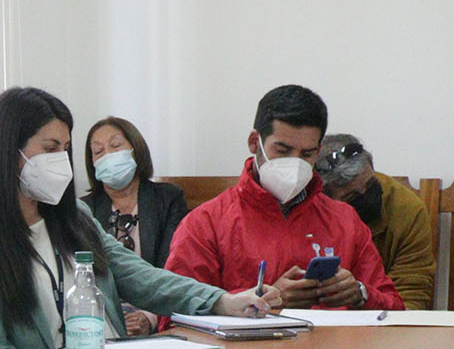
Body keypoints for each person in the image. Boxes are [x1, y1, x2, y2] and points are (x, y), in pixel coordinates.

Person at [0, 87, 268, 349]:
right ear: (8, 152)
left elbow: (142, 277)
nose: (61, 158)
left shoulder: (75, 216)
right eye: (50, 148)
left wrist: (222, 301)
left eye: (65, 148)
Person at [164, 85, 401, 310]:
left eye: (306, 154)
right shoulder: (206, 224)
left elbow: (394, 306)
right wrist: (263, 300)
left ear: (318, 152)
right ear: (254, 142)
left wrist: (360, 294)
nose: (294, 163)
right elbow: (175, 313)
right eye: (282, 150)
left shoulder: (345, 220)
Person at [315, 134, 435, 312]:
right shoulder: (312, 214)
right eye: (353, 196)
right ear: (325, 198)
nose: (367, 197)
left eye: (371, 184)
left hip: (385, 316)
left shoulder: (406, 208)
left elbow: (411, 289)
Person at [83, 116, 190, 272]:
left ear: (135, 149)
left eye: (115, 145)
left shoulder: (168, 199)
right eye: (98, 151)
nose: (108, 156)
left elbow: (171, 265)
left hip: (158, 292)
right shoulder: (84, 209)